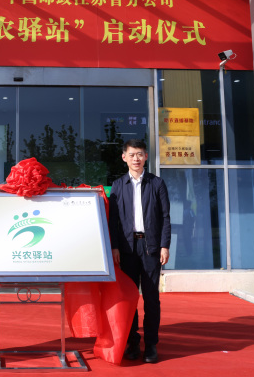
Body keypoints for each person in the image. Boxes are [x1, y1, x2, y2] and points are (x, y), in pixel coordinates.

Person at [108, 139, 171, 363]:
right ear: (124, 157)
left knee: (152, 298)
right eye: (132, 154)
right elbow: (113, 221)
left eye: (140, 154)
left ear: (145, 157)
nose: (136, 158)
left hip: (151, 247)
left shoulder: (157, 183)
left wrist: (164, 245)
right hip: (127, 248)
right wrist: (115, 246)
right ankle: (132, 342)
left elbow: (165, 217)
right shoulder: (118, 185)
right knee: (130, 297)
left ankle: (151, 345)